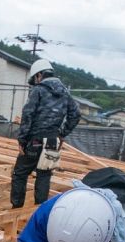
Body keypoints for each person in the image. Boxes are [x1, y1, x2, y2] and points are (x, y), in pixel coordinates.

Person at [11, 59, 81, 208]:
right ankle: (39, 213)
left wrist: (22, 141)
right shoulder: (65, 93)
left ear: (39, 75)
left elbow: (28, 115)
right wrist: (61, 134)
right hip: (52, 142)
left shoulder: (38, 90)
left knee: (20, 173)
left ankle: (16, 210)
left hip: (34, 140)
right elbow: (75, 115)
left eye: (35, 78)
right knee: (44, 174)